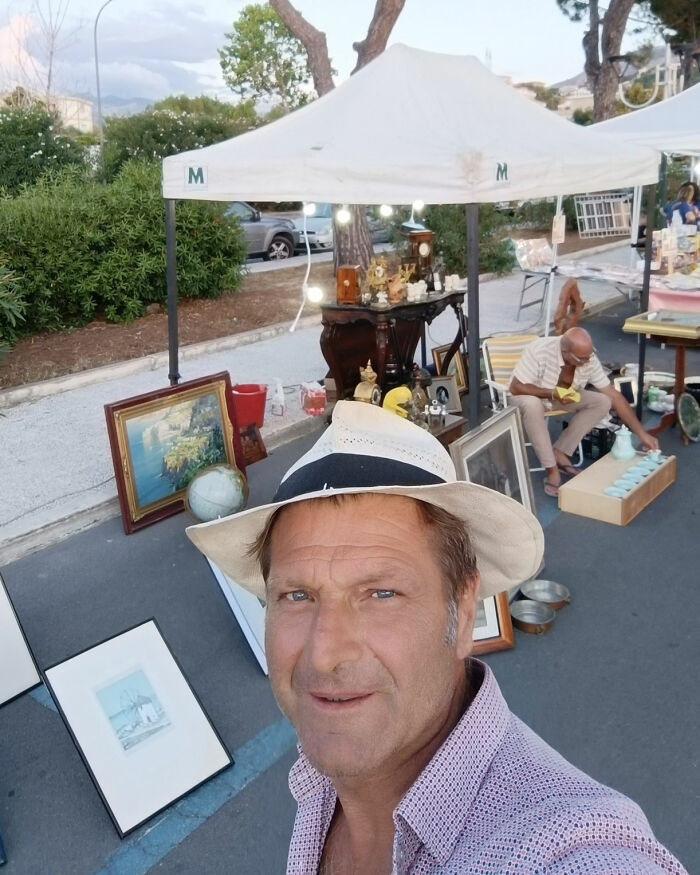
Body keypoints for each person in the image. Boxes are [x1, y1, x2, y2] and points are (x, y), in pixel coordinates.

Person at [186, 401, 685, 874]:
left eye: (381, 593)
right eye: (296, 596)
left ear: (464, 612)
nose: (324, 653)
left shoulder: (564, 842)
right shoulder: (321, 775)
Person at [509, 327, 659, 497]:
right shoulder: (539, 349)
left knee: (602, 401)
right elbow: (516, 387)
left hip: (560, 397)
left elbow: (613, 395)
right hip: (526, 396)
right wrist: (552, 393)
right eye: (582, 358)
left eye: (589, 355)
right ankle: (551, 469)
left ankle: (561, 452)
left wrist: (642, 434)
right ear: (565, 352)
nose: (588, 360)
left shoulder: (588, 358)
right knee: (532, 405)